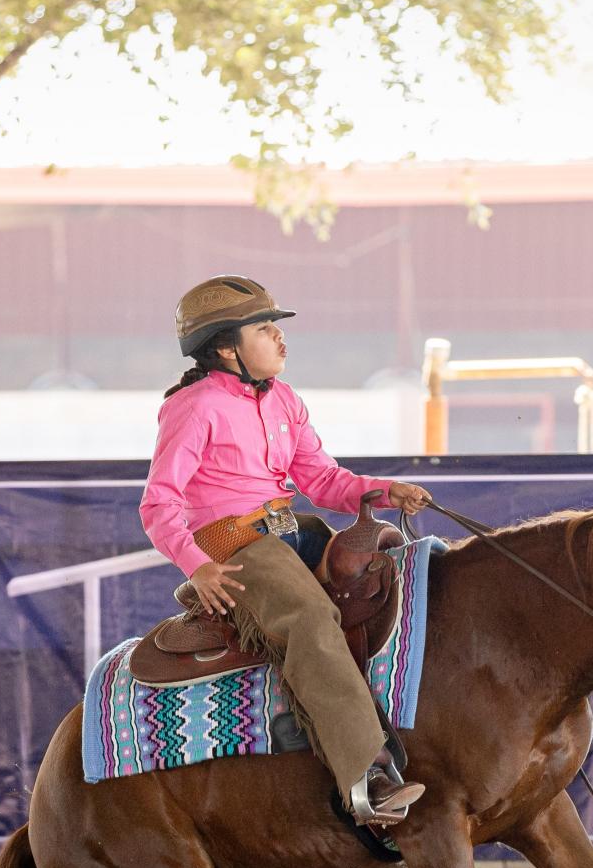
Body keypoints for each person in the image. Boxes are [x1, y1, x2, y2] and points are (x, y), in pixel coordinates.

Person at [140, 276, 435, 826]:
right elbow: (159, 505)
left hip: (291, 529)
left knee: (393, 574)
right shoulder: (193, 407)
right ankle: (364, 780)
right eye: (265, 328)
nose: (280, 339)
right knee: (310, 617)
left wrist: (380, 490)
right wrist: (198, 566)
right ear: (227, 348)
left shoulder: (284, 400)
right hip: (237, 546)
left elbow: (323, 480)